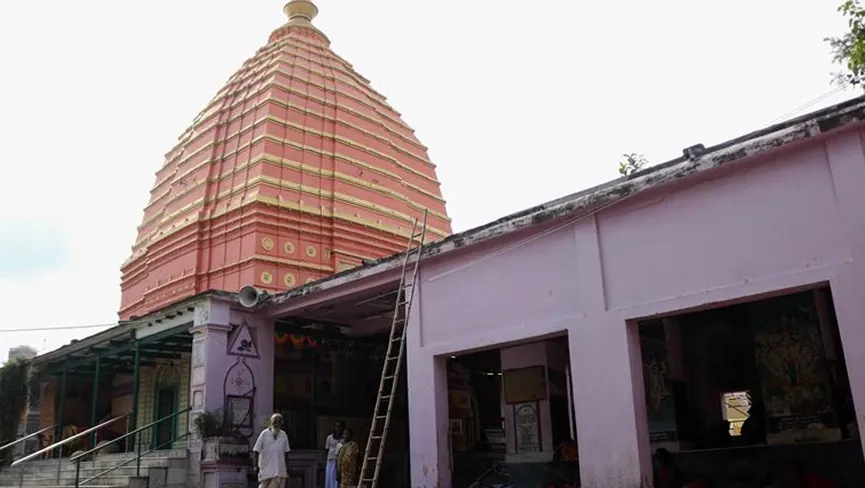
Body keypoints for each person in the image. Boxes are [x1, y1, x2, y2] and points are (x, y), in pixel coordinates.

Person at [253, 414, 291, 488]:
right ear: (270, 422)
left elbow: (286, 453)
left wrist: (287, 468)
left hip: (279, 470)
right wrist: (255, 466)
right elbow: (256, 451)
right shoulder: (264, 434)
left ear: (281, 423)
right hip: (266, 470)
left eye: (278, 421)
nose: (276, 423)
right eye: (274, 421)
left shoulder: (283, 435)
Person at [324, 421, 345, 488]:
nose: (338, 428)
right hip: (330, 461)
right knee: (329, 477)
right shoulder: (329, 437)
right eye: (336, 426)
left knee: (336, 479)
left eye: (340, 426)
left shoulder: (344, 439)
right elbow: (327, 450)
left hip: (339, 462)